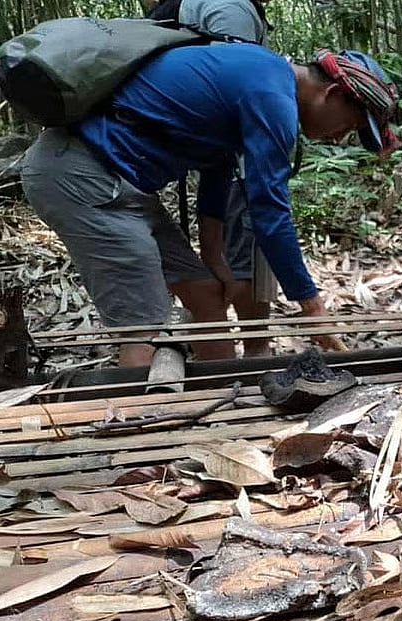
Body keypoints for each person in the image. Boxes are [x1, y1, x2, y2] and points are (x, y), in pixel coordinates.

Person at [21, 44, 399, 367]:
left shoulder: (263, 76)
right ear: (332, 94)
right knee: (145, 327)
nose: (341, 137)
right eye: (350, 125)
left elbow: (217, 173)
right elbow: (269, 212)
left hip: (123, 184)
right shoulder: (272, 95)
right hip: (82, 177)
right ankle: (133, 429)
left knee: (204, 291)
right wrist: (312, 309)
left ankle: (222, 401)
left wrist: (215, 259)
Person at [150, 0, 273, 358]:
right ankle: (252, 358)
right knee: (243, 271)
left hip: (208, 161)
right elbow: (230, 98)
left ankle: (227, 368)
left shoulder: (200, 7)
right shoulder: (229, 7)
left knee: (210, 282)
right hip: (236, 168)